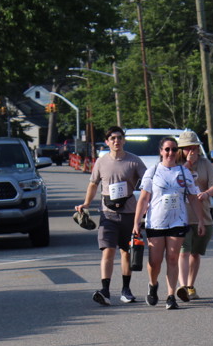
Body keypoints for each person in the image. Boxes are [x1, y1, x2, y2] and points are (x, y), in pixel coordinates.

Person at [133, 136, 206, 310]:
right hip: (156, 222)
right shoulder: (152, 172)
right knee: (155, 261)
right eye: (167, 149)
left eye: (174, 149)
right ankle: (153, 285)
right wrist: (136, 222)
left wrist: (201, 220)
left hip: (177, 221)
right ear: (161, 151)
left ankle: (171, 295)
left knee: (173, 258)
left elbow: (193, 198)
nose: (170, 152)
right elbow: (144, 199)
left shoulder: (184, 172)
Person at [75, 126, 146, 305]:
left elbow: (148, 183)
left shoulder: (134, 161)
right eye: (112, 138)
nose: (116, 141)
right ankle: (105, 290)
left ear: (124, 140)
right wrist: (86, 203)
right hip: (108, 214)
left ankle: (126, 290)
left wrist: (147, 206)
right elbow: (93, 184)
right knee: (108, 251)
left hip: (129, 212)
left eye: (119, 137)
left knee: (126, 252)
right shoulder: (101, 162)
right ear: (107, 142)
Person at [174, 130, 213, 302]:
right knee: (183, 252)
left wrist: (206, 193)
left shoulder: (206, 164)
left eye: (194, 147)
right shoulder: (176, 164)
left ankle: (191, 285)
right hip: (181, 215)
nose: (191, 151)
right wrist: (188, 163)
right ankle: (183, 287)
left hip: (202, 215)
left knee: (195, 253)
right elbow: (174, 181)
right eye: (187, 148)